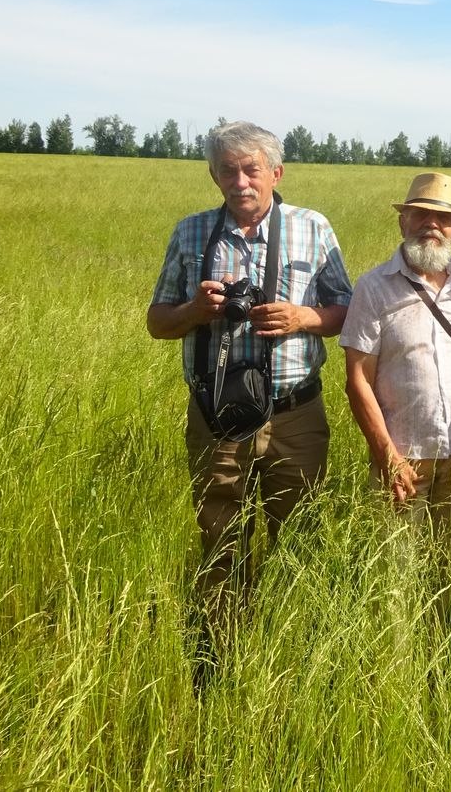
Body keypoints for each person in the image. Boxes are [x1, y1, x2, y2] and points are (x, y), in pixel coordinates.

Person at [146, 120, 351, 665]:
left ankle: (290, 650)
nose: (241, 182)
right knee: (220, 539)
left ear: (276, 173)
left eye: (251, 169)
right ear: (213, 177)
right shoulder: (192, 233)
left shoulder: (312, 227)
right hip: (217, 414)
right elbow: (157, 322)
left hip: (295, 412)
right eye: (228, 171)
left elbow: (348, 313)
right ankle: (221, 653)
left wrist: (302, 316)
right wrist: (196, 310)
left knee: (298, 536)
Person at [340, 172, 451, 538]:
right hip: (403, 456)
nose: (431, 224)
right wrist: (388, 456)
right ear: (403, 221)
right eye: (419, 214)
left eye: (444, 218)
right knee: (395, 574)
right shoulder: (373, 287)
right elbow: (358, 380)